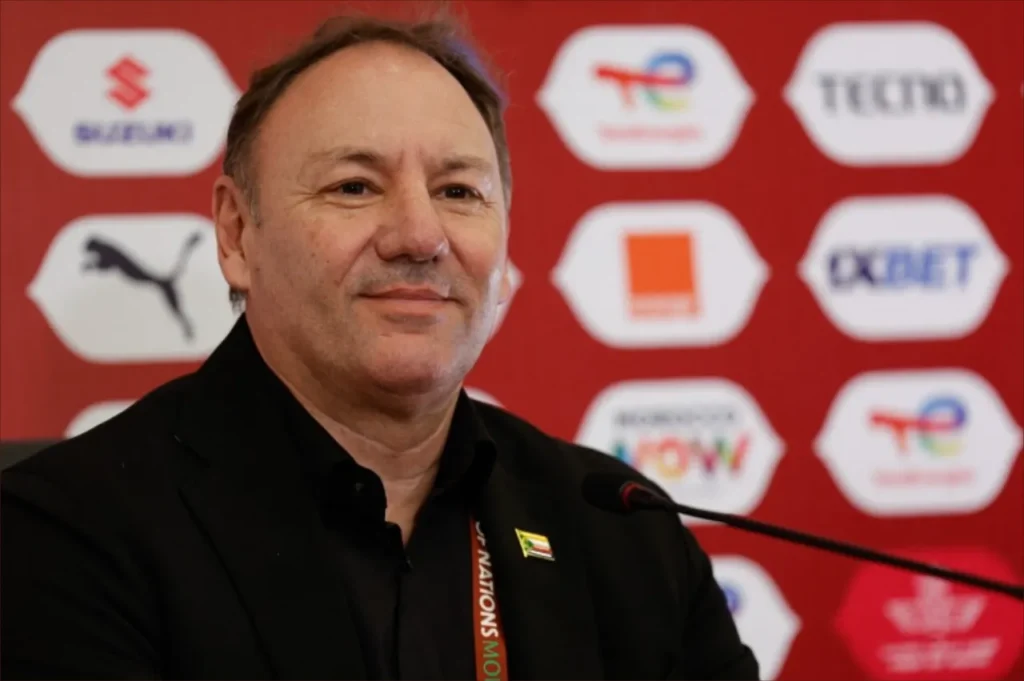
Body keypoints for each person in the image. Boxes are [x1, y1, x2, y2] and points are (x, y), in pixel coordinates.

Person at [0, 8, 759, 681]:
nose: (420, 236)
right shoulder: (62, 537)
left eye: (458, 192)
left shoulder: (624, 533)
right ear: (236, 234)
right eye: (354, 187)